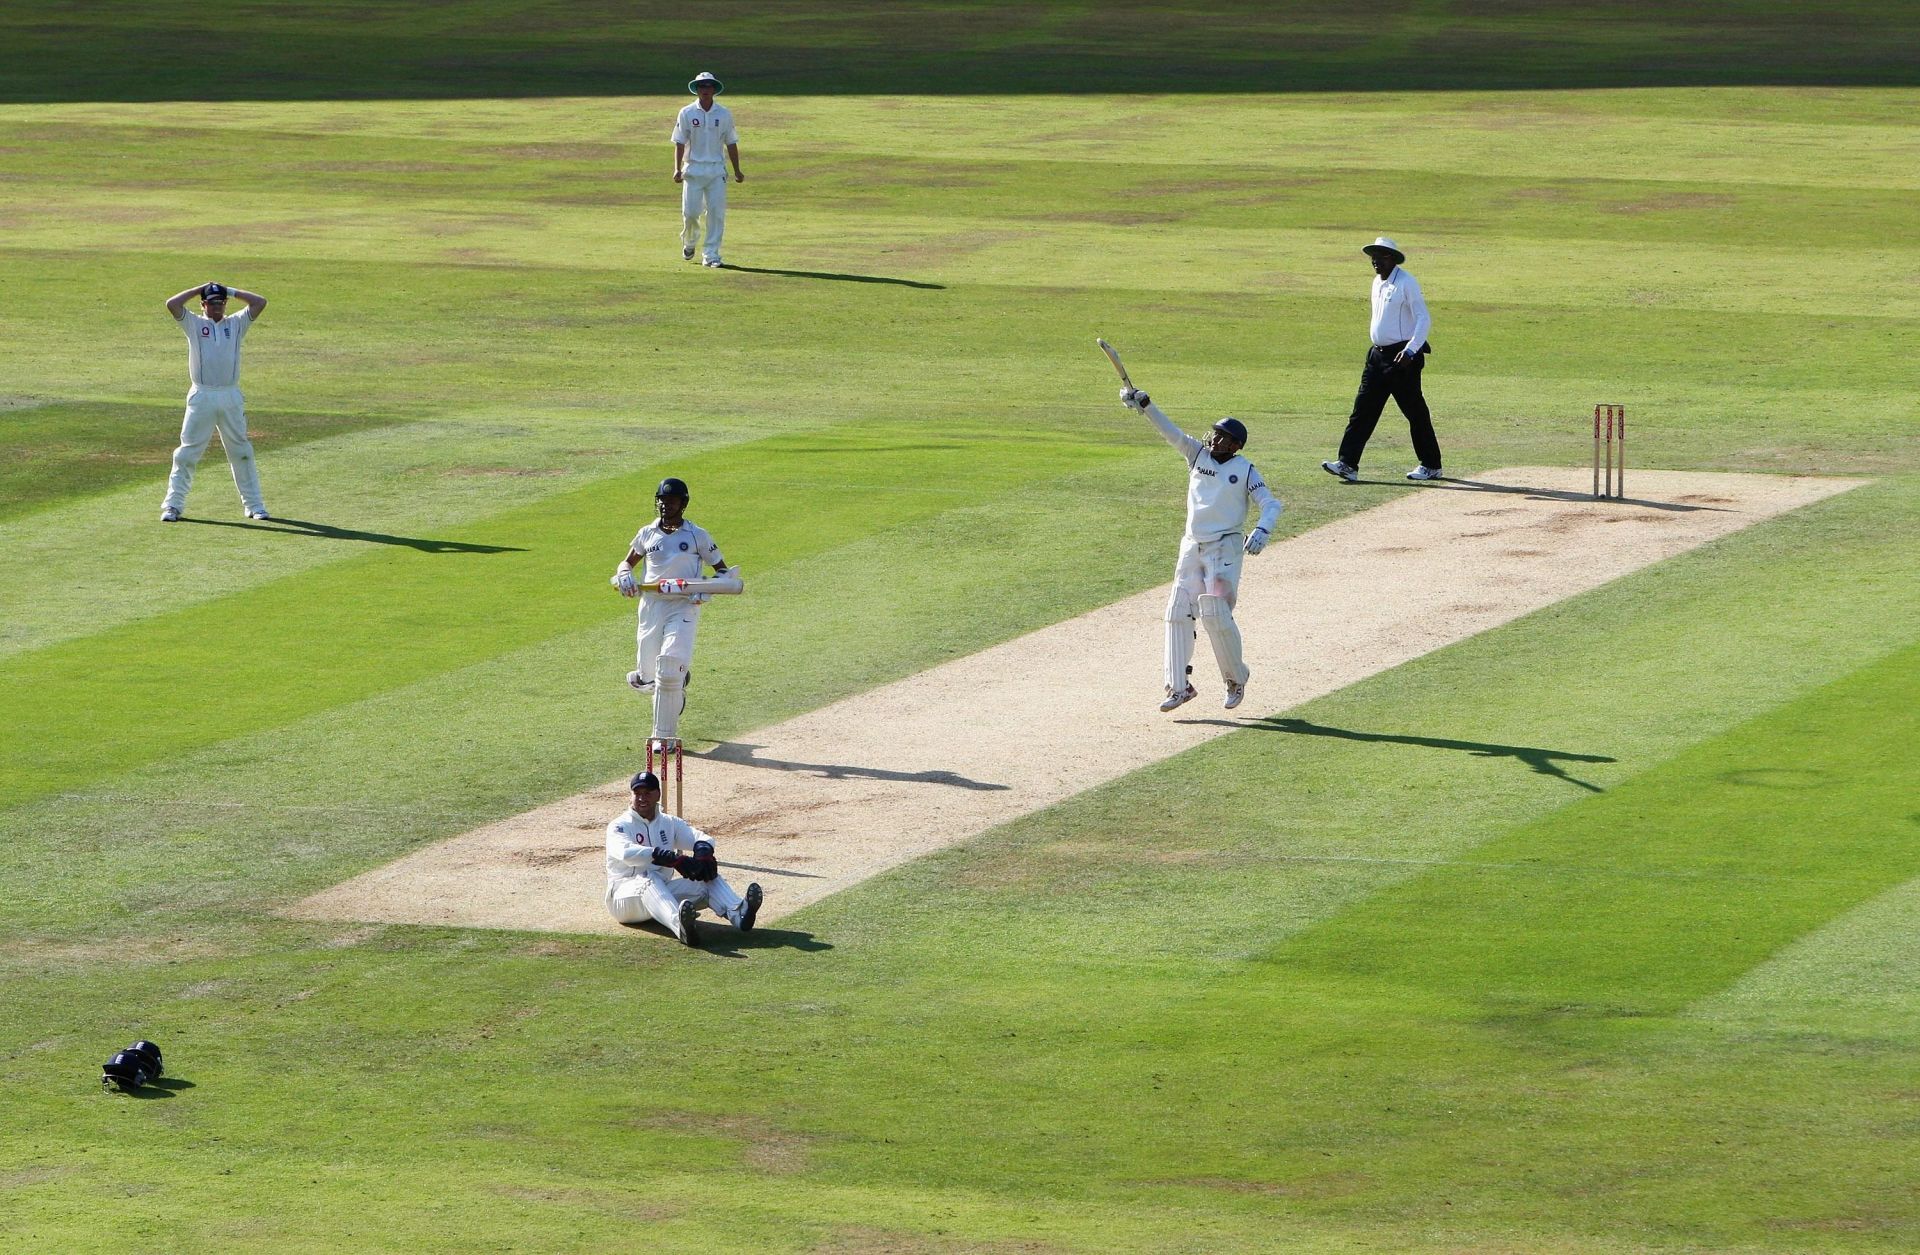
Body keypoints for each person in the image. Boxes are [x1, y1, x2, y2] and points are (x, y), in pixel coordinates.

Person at [1121, 386, 1282, 712]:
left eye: (1224, 438)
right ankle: (1178, 686)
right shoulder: (1196, 455)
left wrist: (1263, 530)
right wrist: (1145, 404)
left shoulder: (1245, 469)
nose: (1216, 440)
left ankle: (1236, 678)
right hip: (1192, 545)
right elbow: (1170, 432)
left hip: (1225, 546)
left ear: (1236, 445)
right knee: (1177, 611)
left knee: (1214, 611)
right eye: (1216, 434)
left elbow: (1271, 504)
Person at [614, 477, 730, 743]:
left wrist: (709, 587)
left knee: (668, 668)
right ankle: (676, 686)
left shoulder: (697, 535)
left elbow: (722, 570)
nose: (666, 505)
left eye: (672, 501)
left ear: (683, 503)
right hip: (652, 605)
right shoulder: (647, 533)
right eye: (662, 501)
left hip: (684, 605)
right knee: (648, 677)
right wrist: (623, 572)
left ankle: (662, 740)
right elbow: (628, 562)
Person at [1321, 236, 1443, 484]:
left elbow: (1423, 318)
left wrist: (1411, 351)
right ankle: (1347, 463)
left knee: (1415, 413)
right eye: (1372, 257)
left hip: (1402, 359)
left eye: (1380, 256)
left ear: (1392, 259)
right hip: (1377, 356)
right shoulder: (1377, 282)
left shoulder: (1407, 283)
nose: (1375, 261)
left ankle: (1431, 465)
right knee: (1362, 411)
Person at [606, 770, 762, 946]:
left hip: (661, 894)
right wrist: (666, 857)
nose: (642, 798)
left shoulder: (669, 823)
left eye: (647, 793)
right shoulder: (619, 826)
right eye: (637, 793)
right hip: (623, 899)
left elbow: (701, 838)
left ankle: (739, 913)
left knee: (705, 877)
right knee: (647, 879)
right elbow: (626, 853)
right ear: (631, 795)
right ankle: (680, 926)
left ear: (658, 794)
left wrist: (704, 853)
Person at [159, 281, 271, 522]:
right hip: (202, 396)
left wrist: (228, 290)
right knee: (187, 454)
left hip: (230, 396)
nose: (216, 307)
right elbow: (172, 304)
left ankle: (254, 505)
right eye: (211, 303)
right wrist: (200, 288)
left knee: (241, 451)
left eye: (220, 303)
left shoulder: (236, 324)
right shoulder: (195, 324)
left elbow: (260, 302)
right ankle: (173, 506)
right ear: (203, 305)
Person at [671, 71, 744, 267]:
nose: (705, 90)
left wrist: (737, 170)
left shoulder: (724, 114)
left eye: (708, 86)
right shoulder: (686, 112)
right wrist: (677, 169)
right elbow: (679, 142)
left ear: (714, 89)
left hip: (716, 171)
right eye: (701, 86)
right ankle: (690, 241)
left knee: (716, 213)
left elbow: (731, 143)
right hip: (693, 170)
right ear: (696, 90)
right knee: (691, 213)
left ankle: (711, 255)